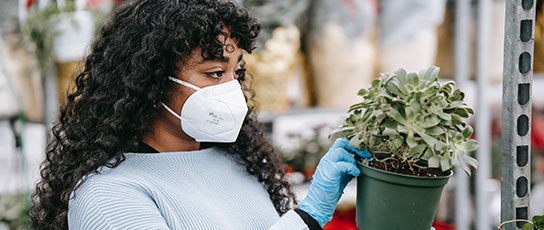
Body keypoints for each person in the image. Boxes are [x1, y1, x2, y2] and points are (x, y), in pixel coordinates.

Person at [30, 0, 370, 229]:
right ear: (152, 80)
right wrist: (307, 217)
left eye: (235, 72)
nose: (231, 89)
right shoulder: (107, 195)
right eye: (214, 73)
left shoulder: (236, 162)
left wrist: (311, 214)